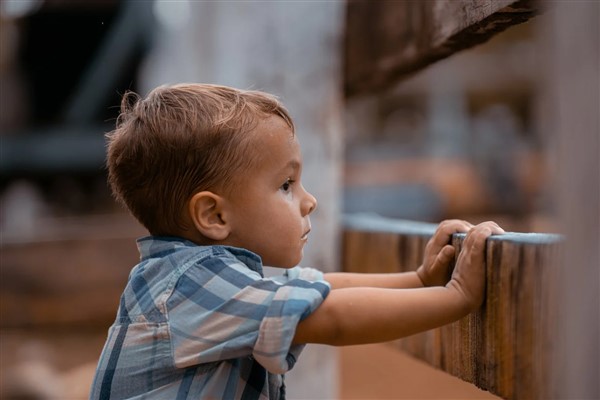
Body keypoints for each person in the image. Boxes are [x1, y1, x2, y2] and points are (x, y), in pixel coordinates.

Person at [90, 83, 504, 400]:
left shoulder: (206, 278)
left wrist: (418, 280)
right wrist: (458, 297)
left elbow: (322, 288)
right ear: (214, 215)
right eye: (286, 185)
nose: (309, 201)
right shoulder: (191, 287)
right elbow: (334, 317)